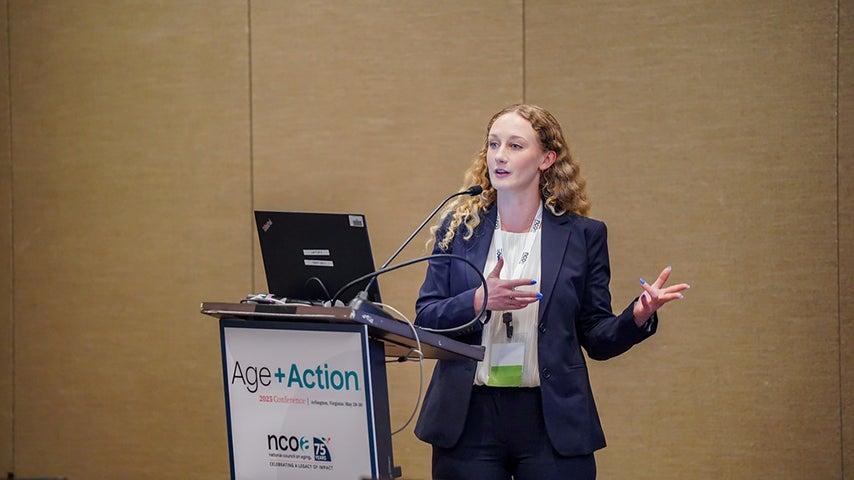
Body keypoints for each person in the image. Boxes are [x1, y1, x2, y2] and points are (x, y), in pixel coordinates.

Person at [414, 104, 689, 480]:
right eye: (494, 145)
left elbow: (596, 336)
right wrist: (480, 300)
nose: (500, 156)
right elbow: (426, 317)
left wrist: (638, 316)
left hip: (550, 419)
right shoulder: (459, 228)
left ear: (547, 158)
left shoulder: (583, 236)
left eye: (515, 146)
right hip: (468, 418)